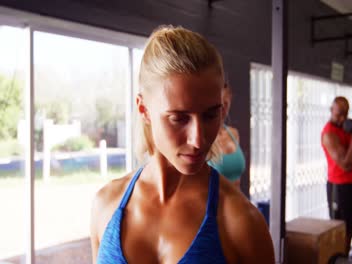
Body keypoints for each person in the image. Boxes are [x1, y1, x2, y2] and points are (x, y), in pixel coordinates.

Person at [90, 25, 274, 264]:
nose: (198, 140)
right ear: (144, 109)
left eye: (210, 115)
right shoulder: (106, 204)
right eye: (179, 118)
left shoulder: (241, 222)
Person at [321, 96, 352, 254]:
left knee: (351, 226)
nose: (343, 118)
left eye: (345, 113)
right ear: (331, 111)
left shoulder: (344, 127)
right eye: (339, 114)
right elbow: (346, 164)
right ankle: (338, 258)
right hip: (339, 186)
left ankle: (345, 257)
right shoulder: (329, 134)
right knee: (340, 229)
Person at [208, 83, 246, 188]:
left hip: (237, 201)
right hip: (214, 202)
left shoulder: (233, 133)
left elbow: (238, 179)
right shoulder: (205, 136)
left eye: (226, 104)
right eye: (219, 105)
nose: (223, 109)